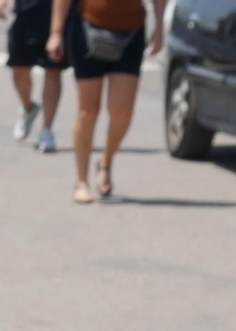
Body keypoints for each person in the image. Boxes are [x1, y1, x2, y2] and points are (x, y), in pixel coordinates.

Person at [50, 0, 165, 201]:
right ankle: (81, 182)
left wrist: (159, 28)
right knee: (88, 110)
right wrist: (56, 32)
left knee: (122, 112)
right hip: (88, 26)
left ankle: (105, 161)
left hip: (132, 31)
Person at [0, 0, 64, 153]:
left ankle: (47, 130)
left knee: (53, 70)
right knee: (19, 70)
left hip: (56, 12)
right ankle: (28, 108)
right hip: (25, 12)